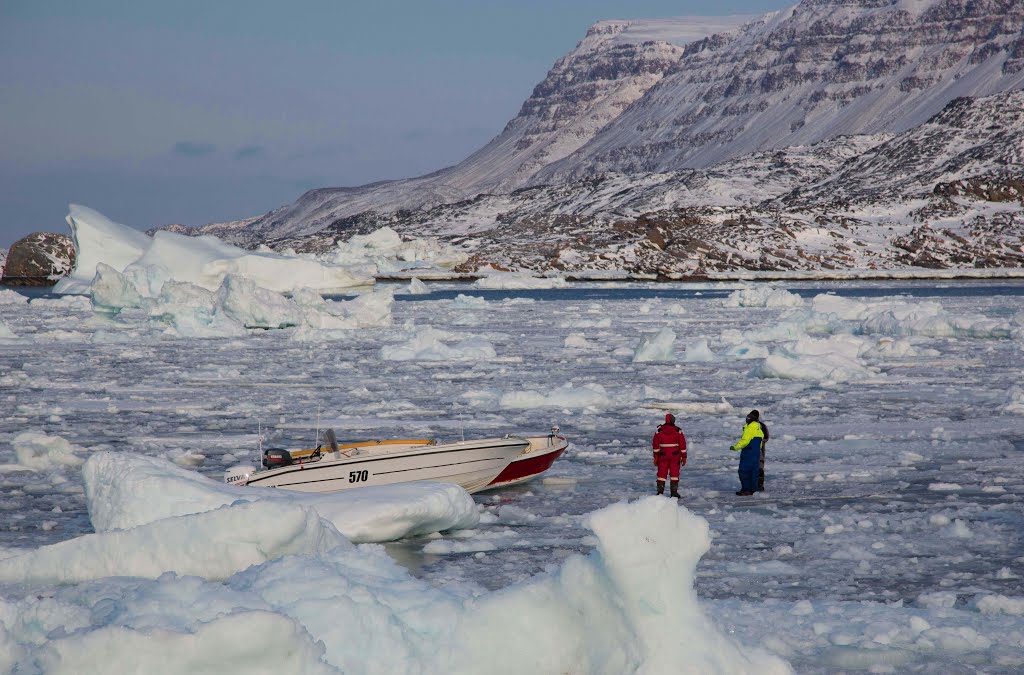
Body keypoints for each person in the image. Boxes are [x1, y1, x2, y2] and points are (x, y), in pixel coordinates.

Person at [730, 410, 765, 496]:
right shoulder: (759, 428)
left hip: (748, 452)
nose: (747, 418)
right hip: (756, 453)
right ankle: (754, 489)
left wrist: (735, 447)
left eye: (749, 417)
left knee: (744, 471)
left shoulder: (749, 428)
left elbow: (745, 441)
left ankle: (746, 490)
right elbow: (761, 443)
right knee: (754, 471)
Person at [652, 413, 687, 497]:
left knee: (661, 473)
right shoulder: (678, 431)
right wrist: (684, 457)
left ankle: (660, 492)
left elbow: (655, 445)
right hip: (675, 456)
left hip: (663, 456)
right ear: (673, 421)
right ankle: (674, 493)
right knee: (674, 474)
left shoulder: (658, 431)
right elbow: (682, 445)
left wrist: (656, 456)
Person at [757, 415, 770, 492]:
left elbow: (766, 437)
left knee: (759, 468)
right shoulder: (748, 426)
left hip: (759, 451)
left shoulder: (762, 426)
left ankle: (760, 486)